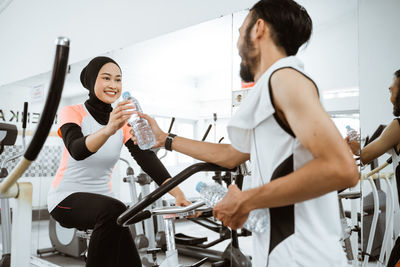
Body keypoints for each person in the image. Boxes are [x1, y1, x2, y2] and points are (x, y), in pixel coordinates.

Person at [131, 0, 359, 266]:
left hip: (304, 256)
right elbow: (232, 155)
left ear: (258, 28)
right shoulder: (273, 88)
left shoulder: (285, 78)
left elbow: (342, 168)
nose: (238, 42)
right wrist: (165, 139)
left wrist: (245, 200)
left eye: (241, 31)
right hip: (283, 253)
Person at [47, 56, 190, 267]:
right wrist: (109, 128)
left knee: (123, 229)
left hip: (107, 204)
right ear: (91, 81)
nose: (113, 85)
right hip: (65, 198)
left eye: (118, 79)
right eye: (106, 78)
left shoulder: (122, 120)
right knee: (115, 210)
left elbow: (146, 159)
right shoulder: (72, 112)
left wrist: (178, 194)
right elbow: (77, 149)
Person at [347, 69, 400, 267]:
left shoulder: (397, 126)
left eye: (394, 84)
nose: (389, 87)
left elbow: (366, 155)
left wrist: (354, 149)